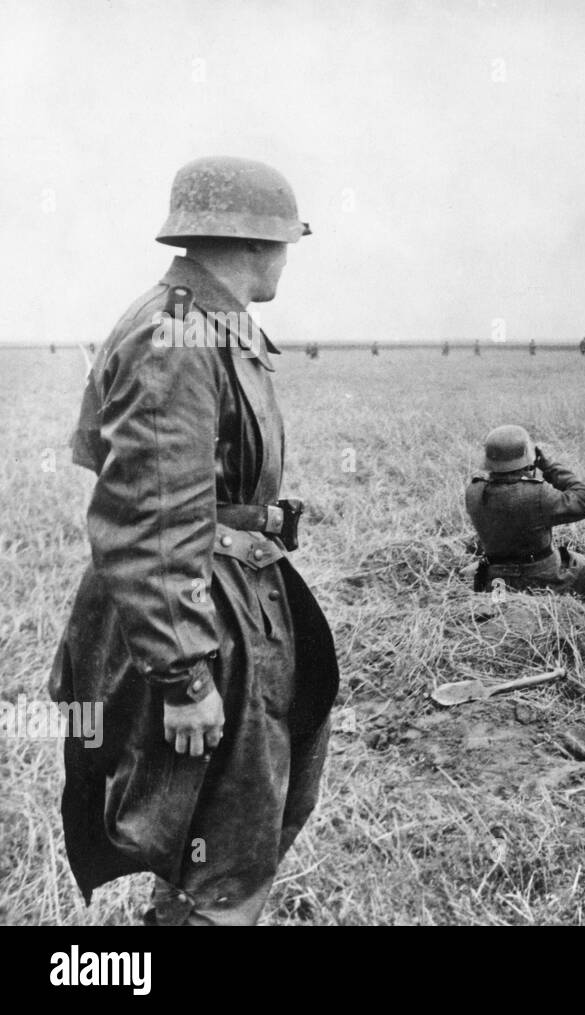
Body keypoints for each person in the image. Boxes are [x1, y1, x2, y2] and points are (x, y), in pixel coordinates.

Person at [49, 155, 338, 926]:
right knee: (223, 862)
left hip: (222, 599)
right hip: (197, 616)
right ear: (255, 241)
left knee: (220, 833)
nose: (287, 258)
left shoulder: (205, 324)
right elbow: (147, 514)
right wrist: (183, 676)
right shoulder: (176, 336)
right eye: (285, 241)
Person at [465, 425, 585, 594]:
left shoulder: (474, 491)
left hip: (496, 578)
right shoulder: (537, 494)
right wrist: (548, 466)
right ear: (527, 459)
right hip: (540, 576)